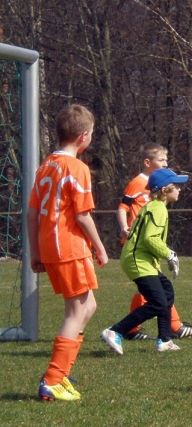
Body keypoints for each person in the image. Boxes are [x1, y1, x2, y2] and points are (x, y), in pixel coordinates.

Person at [28, 104, 109, 401]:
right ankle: (52, 379)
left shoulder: (46, 166)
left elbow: (32, 213)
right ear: (84, 136)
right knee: (78, 311)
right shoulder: (77, 168)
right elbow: (83, 215)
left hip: (51, 246)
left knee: (87, 307)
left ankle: (61, 374)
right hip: (70, 247)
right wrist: (100, 247)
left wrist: (35, 251)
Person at [116, 143, 192, 341]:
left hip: (147, 245)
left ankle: (160, 335)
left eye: (166, 160)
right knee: (157, 294)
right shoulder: (142, 189)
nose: (165, 163)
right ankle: (124, 330)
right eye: (161, 160)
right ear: (148, 162)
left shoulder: (157, 202)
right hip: (140, 246)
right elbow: (123, 208)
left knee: (158, 290)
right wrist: (124, 228)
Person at [101, 168, 188, 354]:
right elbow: (150, 239)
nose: (180, 189)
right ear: (165, 190)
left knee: (166, 292)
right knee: (158, 302)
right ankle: (115, 331)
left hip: (141, 260)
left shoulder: (153, 206)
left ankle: (165, 340)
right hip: (137, 261)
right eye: (177, 186)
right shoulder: (158, 209)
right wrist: (170, 254)